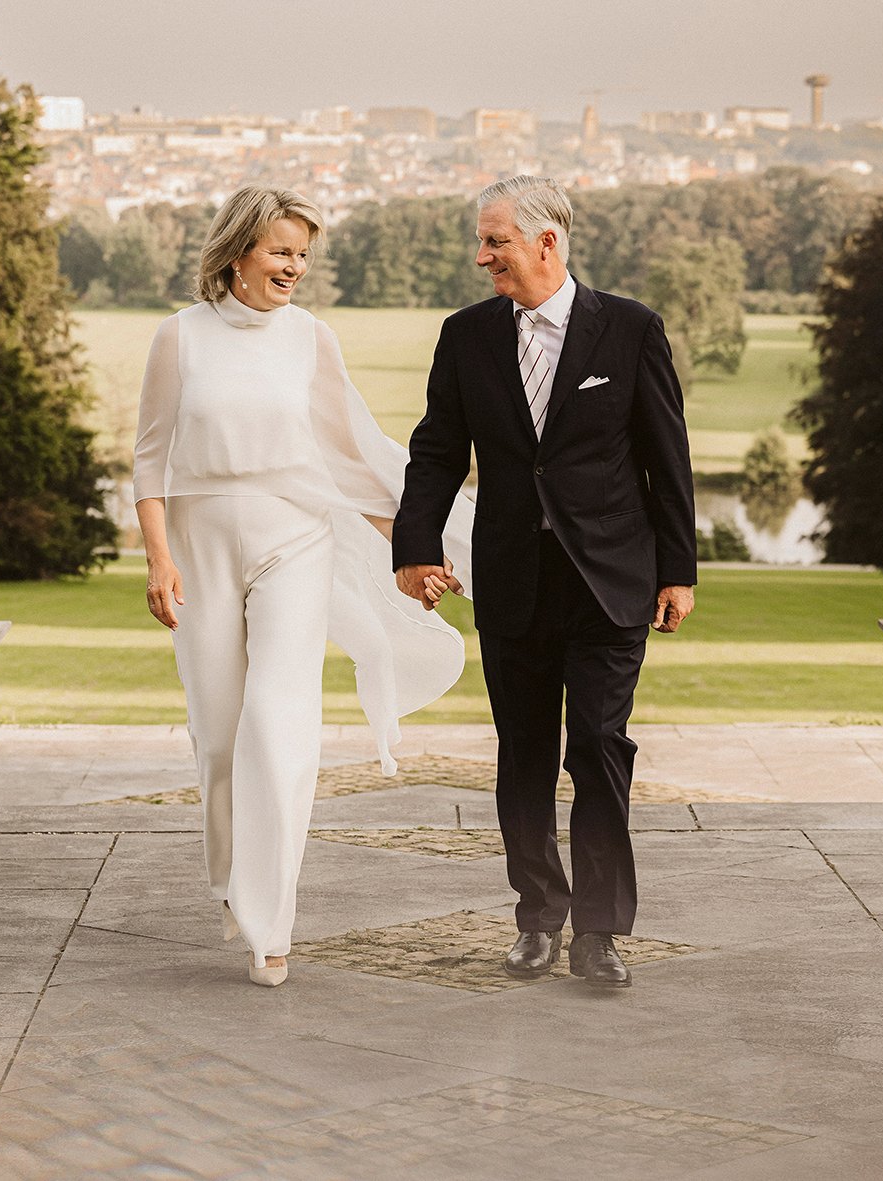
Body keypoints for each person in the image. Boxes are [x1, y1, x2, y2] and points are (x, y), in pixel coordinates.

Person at [133, 186, 472, 988]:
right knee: (218, 733)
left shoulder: (312, 340)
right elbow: (149, 461)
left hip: (295, 539)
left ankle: (270, 921)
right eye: (282, 250)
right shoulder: (178, 338)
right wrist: (158, 558)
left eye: (303, 256)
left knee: (282, 722)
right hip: (201, 540)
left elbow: (351, 461)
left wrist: (413, 549)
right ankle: (230, 882)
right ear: (238, 251)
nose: (294, 267)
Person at [393, 176, 697, 989]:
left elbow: (667, 458)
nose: (483, 255)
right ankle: (538, 916)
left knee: (598, 747)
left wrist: (679, 570)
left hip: (611, 582)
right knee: (523, 755)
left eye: (495, 240)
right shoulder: (466, 337)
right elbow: (437, 448)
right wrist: (415, 547)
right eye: (483, 241)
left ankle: (600, 931)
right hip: (513, 582)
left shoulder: (629, 330)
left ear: (546, 243)